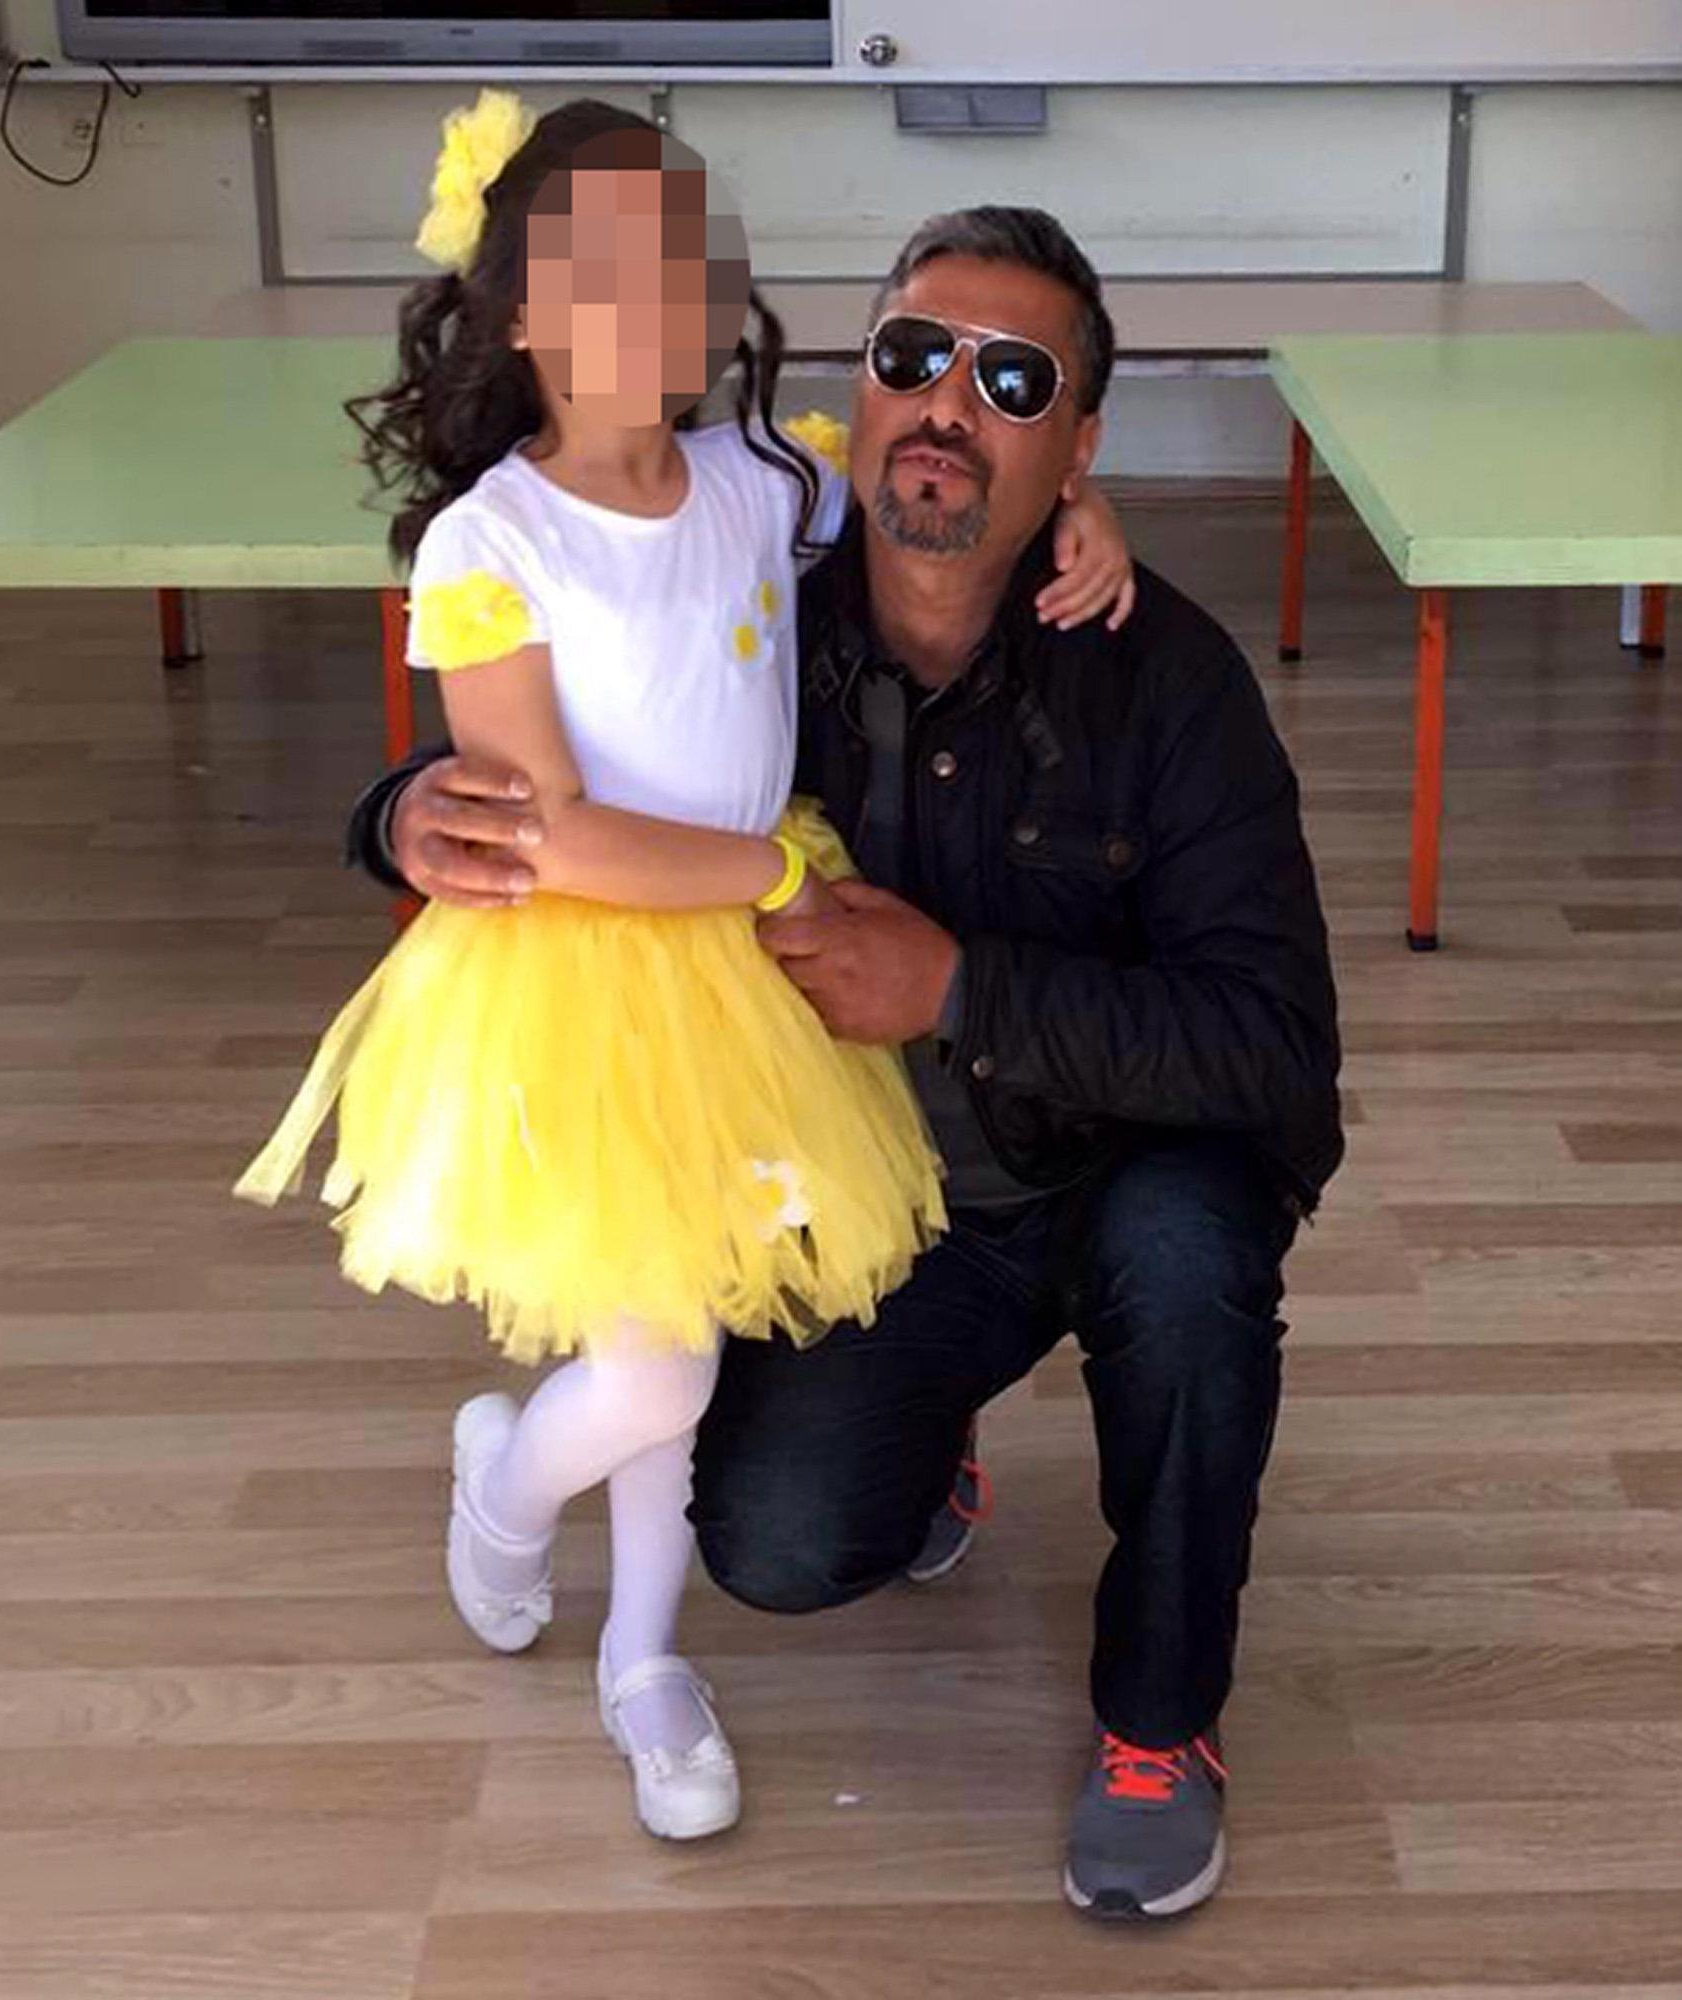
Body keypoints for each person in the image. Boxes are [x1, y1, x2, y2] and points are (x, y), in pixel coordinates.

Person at [358, 199, 1343, 1921]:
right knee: (780, 1545)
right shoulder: (754, 586)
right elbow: (573, 725)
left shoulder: (1167, 675)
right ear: (858, 387)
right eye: (912, 355)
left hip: (1128, 1163)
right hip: (885, 1194)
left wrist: (958, 986)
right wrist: (397, 814)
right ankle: (929, 1426)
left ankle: (1158, 1719)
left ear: (1079, 448)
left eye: (1014, 381)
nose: (948, 403)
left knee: (1190, 1274)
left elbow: (1275, 1056)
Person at [238, 98, 1136, 1845]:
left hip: (738, 991)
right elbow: (550, 830)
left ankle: (642, 1660)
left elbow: (940, 494)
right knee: (655, 1369)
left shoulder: (766, 480)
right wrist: (775, 871)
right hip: (587, 987)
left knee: (686, 1324)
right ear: (520, 313)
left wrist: (1082, 513)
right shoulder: (489, 544)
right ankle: (503, 1489)